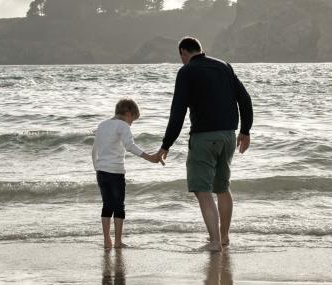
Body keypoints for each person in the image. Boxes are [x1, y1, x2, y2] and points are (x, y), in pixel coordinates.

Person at [159, 37, 253, 252]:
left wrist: (166, 145)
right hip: (229, 136)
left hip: (203, 137)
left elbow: (178, 112)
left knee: (203, 190)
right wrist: (245, 131)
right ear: (200, 50)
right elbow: (245, 99)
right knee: (222, 187)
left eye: (181, 57)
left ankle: (214, 241)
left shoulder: (186, 72)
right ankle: (225, 237)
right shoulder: (223, 66)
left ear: (183, 52)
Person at [92, 98, 164, 249]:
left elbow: (94, 150)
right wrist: (150, 158)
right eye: (133, 120)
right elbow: (130, 146)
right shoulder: (123, 125)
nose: (131, 124)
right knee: (119, 206)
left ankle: (107, 241)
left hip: (101, 172)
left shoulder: (102, 125)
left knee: (107, 205)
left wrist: (97, 168)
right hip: (116, 172)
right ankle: (118, 241)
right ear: (129, 114)